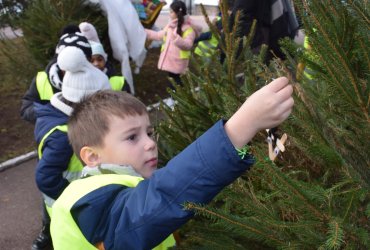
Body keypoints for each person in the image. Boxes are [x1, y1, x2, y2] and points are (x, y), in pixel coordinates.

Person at [50, 76, 294, 249]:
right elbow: (159, 202)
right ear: (92, 157)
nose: (150, 143)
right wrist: (241, 126)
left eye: (148, 132)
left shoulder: (125, 184)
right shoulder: (87, 200)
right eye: (132, 137)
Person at [33, 46, 111, 250]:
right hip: (70, 204)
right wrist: (76, 199)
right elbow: (45, 177)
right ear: (86, 103)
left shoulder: (61, 120)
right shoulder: (64, 134)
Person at [20, 28, 92, 124]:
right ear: (59, 60)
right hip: (55, 135)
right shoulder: (42, 80)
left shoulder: (100, 80)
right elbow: (26, 109)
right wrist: (51, 111)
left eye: (81, 62)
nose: (73, 68)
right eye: (68, 61)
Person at [145, 0, 201, 89]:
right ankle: (175, 99)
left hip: (178, 62)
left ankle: (178, 100)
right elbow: (159, 35)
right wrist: (145, 32)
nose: (169, 14)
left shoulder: (188, 28)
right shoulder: (170, 25)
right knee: (173, 82)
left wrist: (176, 39)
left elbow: (188, 45)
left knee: (177, 83)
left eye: (171, 12)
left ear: (177, 13)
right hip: (170, 61)